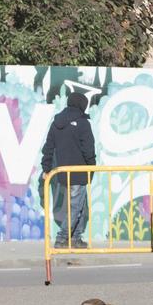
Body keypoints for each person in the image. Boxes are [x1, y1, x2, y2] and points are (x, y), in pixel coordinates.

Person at [40, 91, 98, 249]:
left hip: (62, 173)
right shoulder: (83, 123)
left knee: (78, 206)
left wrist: (46, 168)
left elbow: (48, 148)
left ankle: (76, 237)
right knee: (75, 206)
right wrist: (92, 167)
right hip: (79, 172)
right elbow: (89, 149)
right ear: (82, 105)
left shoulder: (56, 122)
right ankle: (62, 238)